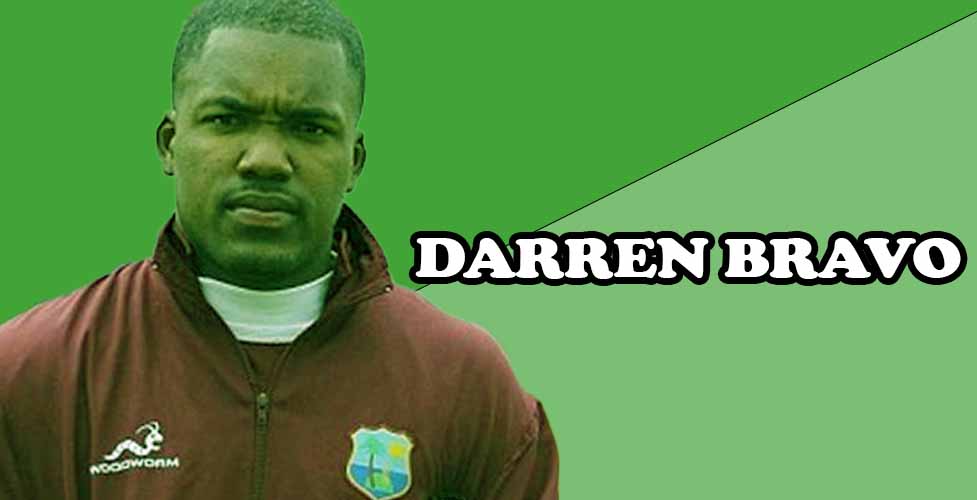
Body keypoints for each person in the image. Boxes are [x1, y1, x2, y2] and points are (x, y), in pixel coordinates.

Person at [0, 0, 559, 498]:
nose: (265, 159)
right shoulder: (34, 371)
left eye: (309, 128)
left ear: (354, 162)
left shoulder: (463, 380)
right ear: (170, 143)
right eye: (227, 119)